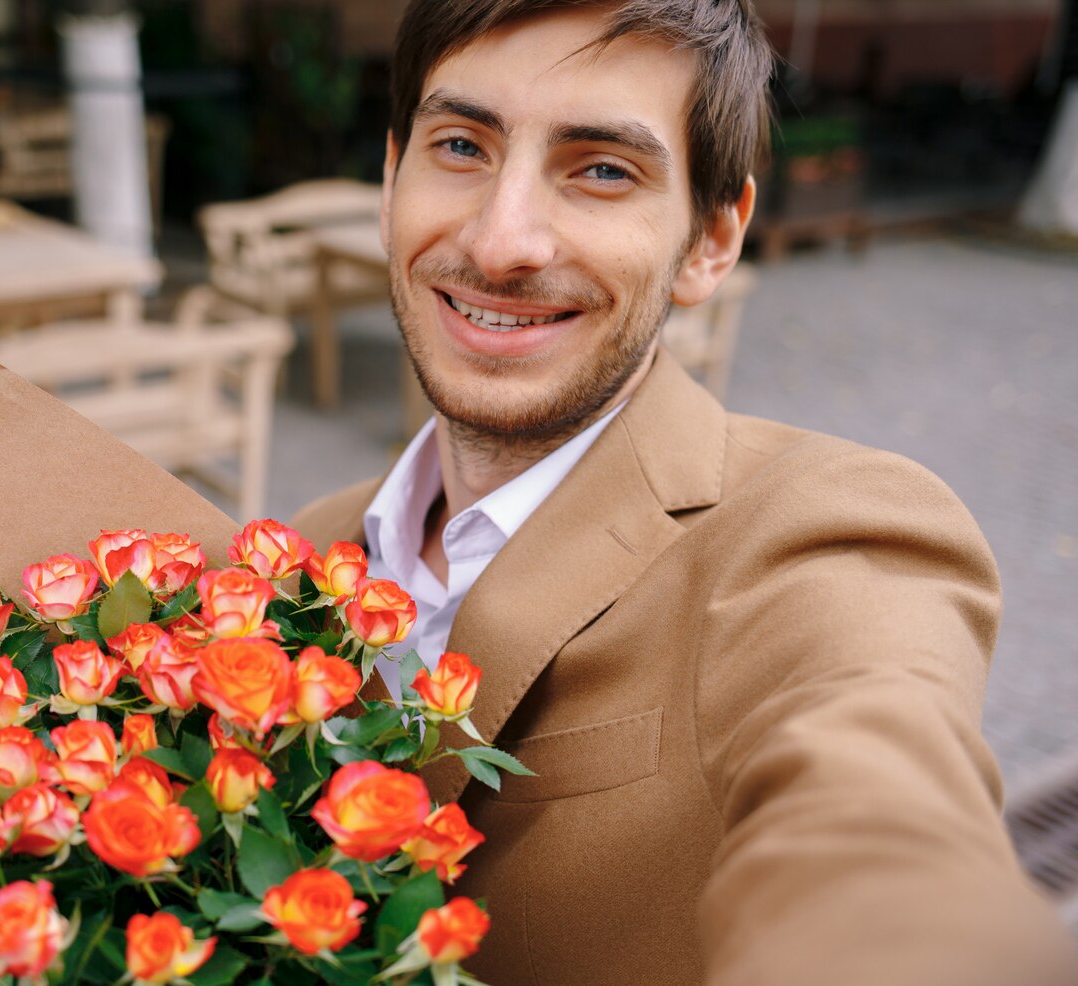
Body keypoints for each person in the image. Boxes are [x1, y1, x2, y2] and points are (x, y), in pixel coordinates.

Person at [290, 1, 1078, 983]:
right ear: (390, 177)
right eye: (461, 145)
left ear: (711, 238)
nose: (500, 242)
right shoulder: (295, 555)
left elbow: (876, 807)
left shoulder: (821, 532)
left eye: (603, 169)